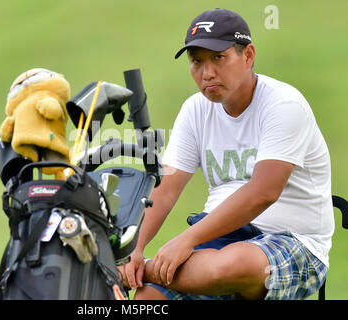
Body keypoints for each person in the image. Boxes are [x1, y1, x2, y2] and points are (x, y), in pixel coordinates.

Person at [118, 8, 334, 300]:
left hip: (293, 241)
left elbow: (264, 192)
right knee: (147, 299)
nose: (207, 74)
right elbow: (165, 190)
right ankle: (145, 269)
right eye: (197, 62)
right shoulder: (195, 109)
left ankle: (146, 270)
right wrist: (133, 247)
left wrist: (187, 241)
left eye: (218, 58)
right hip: (219, 235)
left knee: (228, 266)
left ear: (248, 56)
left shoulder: (284, 105)